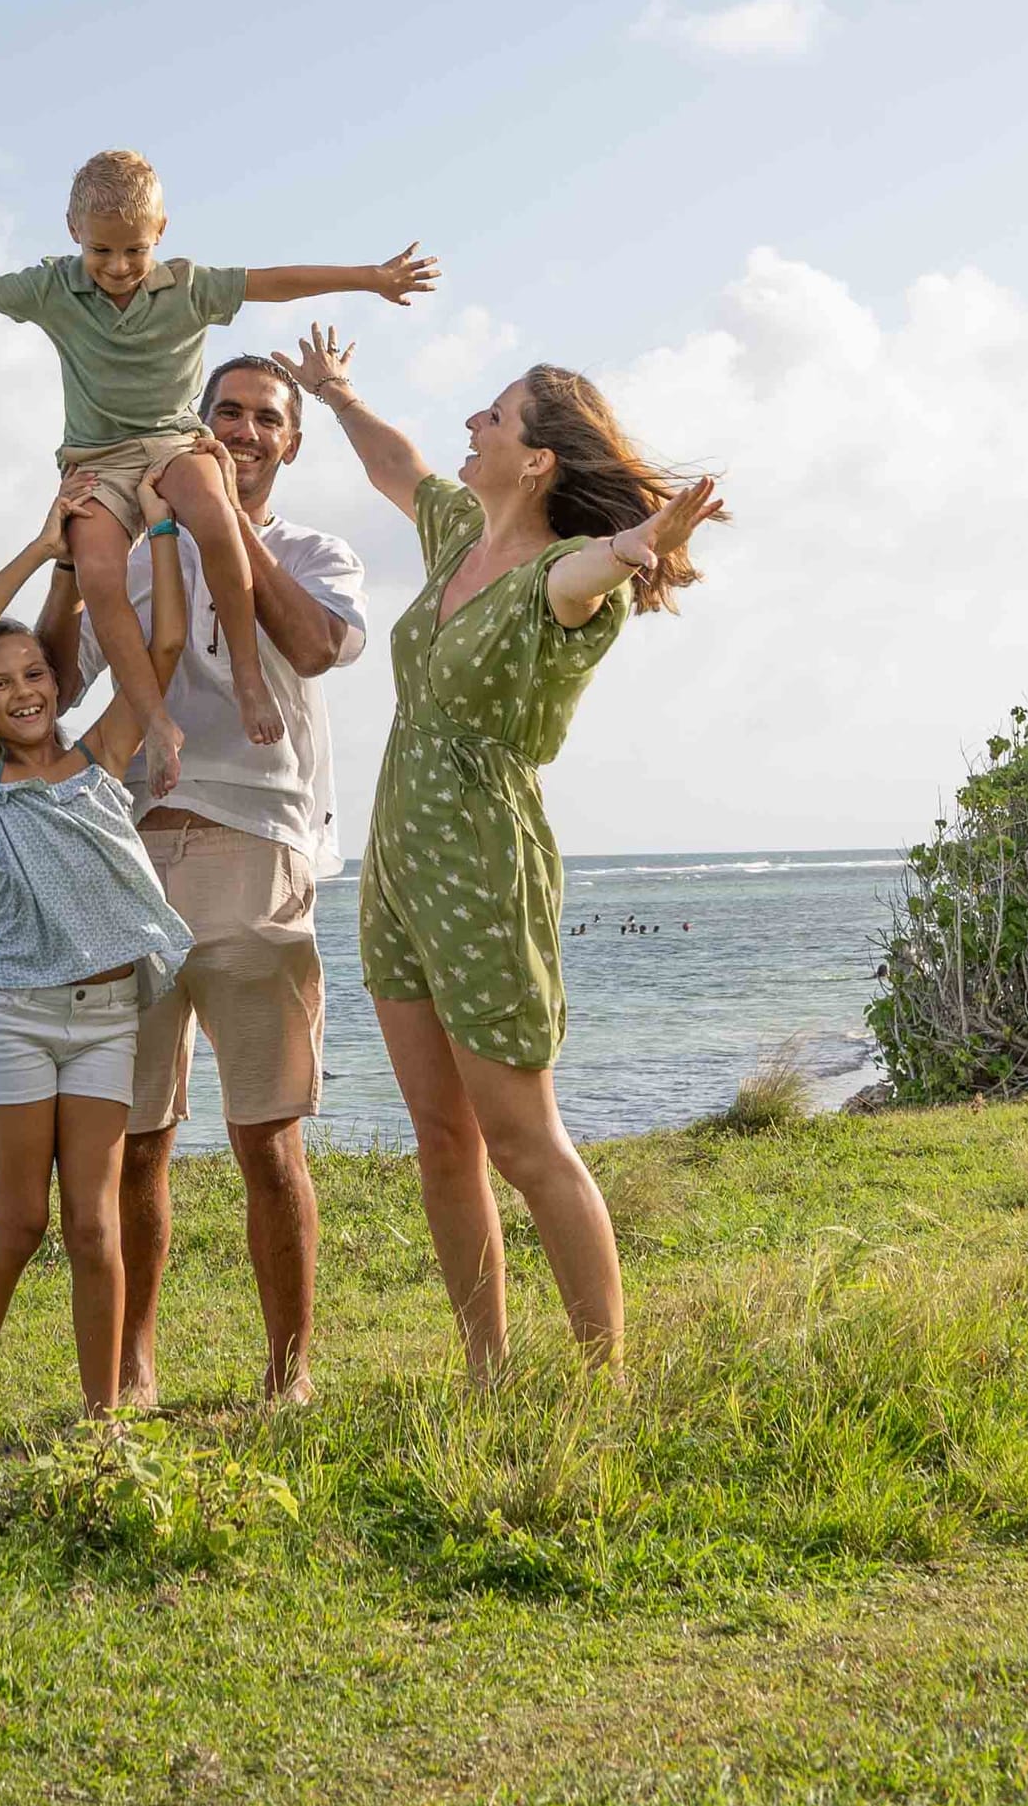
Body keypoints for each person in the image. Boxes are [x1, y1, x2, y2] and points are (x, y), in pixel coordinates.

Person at [271, 325, 725, 1379]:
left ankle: (599, 1382)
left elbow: (595, 578)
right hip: (394, 869)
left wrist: (640, 540)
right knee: (440, 1137)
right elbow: (400, 467)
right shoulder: (454, 541)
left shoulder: (559, 571)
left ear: (535, 458)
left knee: (522, 1140)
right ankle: (488, 1373)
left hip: (480, 861)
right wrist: (334, 394)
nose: (469, 423)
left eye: (493, 414)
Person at [0, 149, 434, 788]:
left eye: (135, 250)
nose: (119, 267)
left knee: (217, 519)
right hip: (95, 460)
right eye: (102, 251)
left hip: (176, 443)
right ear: (74, 232)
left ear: (160, 233)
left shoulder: (190, 286)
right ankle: (155, 721)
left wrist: (371, 277)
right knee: (97, 570)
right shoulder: (50, 287)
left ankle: (247, 674)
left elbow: (276, 282)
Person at [37, 354, 366, 1406]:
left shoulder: (316, 551)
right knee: (134, 1138)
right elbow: (46, 680)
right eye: (222, 413)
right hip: (126, 851)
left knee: (265, 1137)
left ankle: (288, 1373)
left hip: (252, 846)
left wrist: (227, 528)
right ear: (192, 426)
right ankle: (130, 1370)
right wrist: (65, 555)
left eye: (264, 418)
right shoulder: (125, 563)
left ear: (291, 442)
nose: (242, 429)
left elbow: (312, 648)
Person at [0, 467, 195, 1460]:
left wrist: (158, 527)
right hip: (17, 1019)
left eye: (32, 673)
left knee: (93, 1226)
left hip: (106, 1019)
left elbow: (157, 648)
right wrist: (42, 551)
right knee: (17, 1221)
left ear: (54, 682)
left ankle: (101, 1423)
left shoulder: (100, 760)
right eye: (0, 686)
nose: (19, 690)